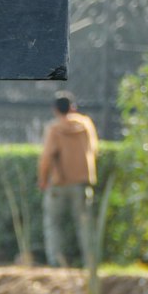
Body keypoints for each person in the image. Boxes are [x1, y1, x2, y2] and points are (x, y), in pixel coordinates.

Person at [38, 93, 98, 267]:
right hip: (82, 183)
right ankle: (90, 262)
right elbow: (94, 150)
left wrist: (43, 179)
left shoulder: (54, 128)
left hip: (59, 184)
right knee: (85, 224)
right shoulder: (86, 125)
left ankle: (57, 262)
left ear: (55, 110)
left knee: (54, 224)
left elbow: (47, 157)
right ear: (73, 107)